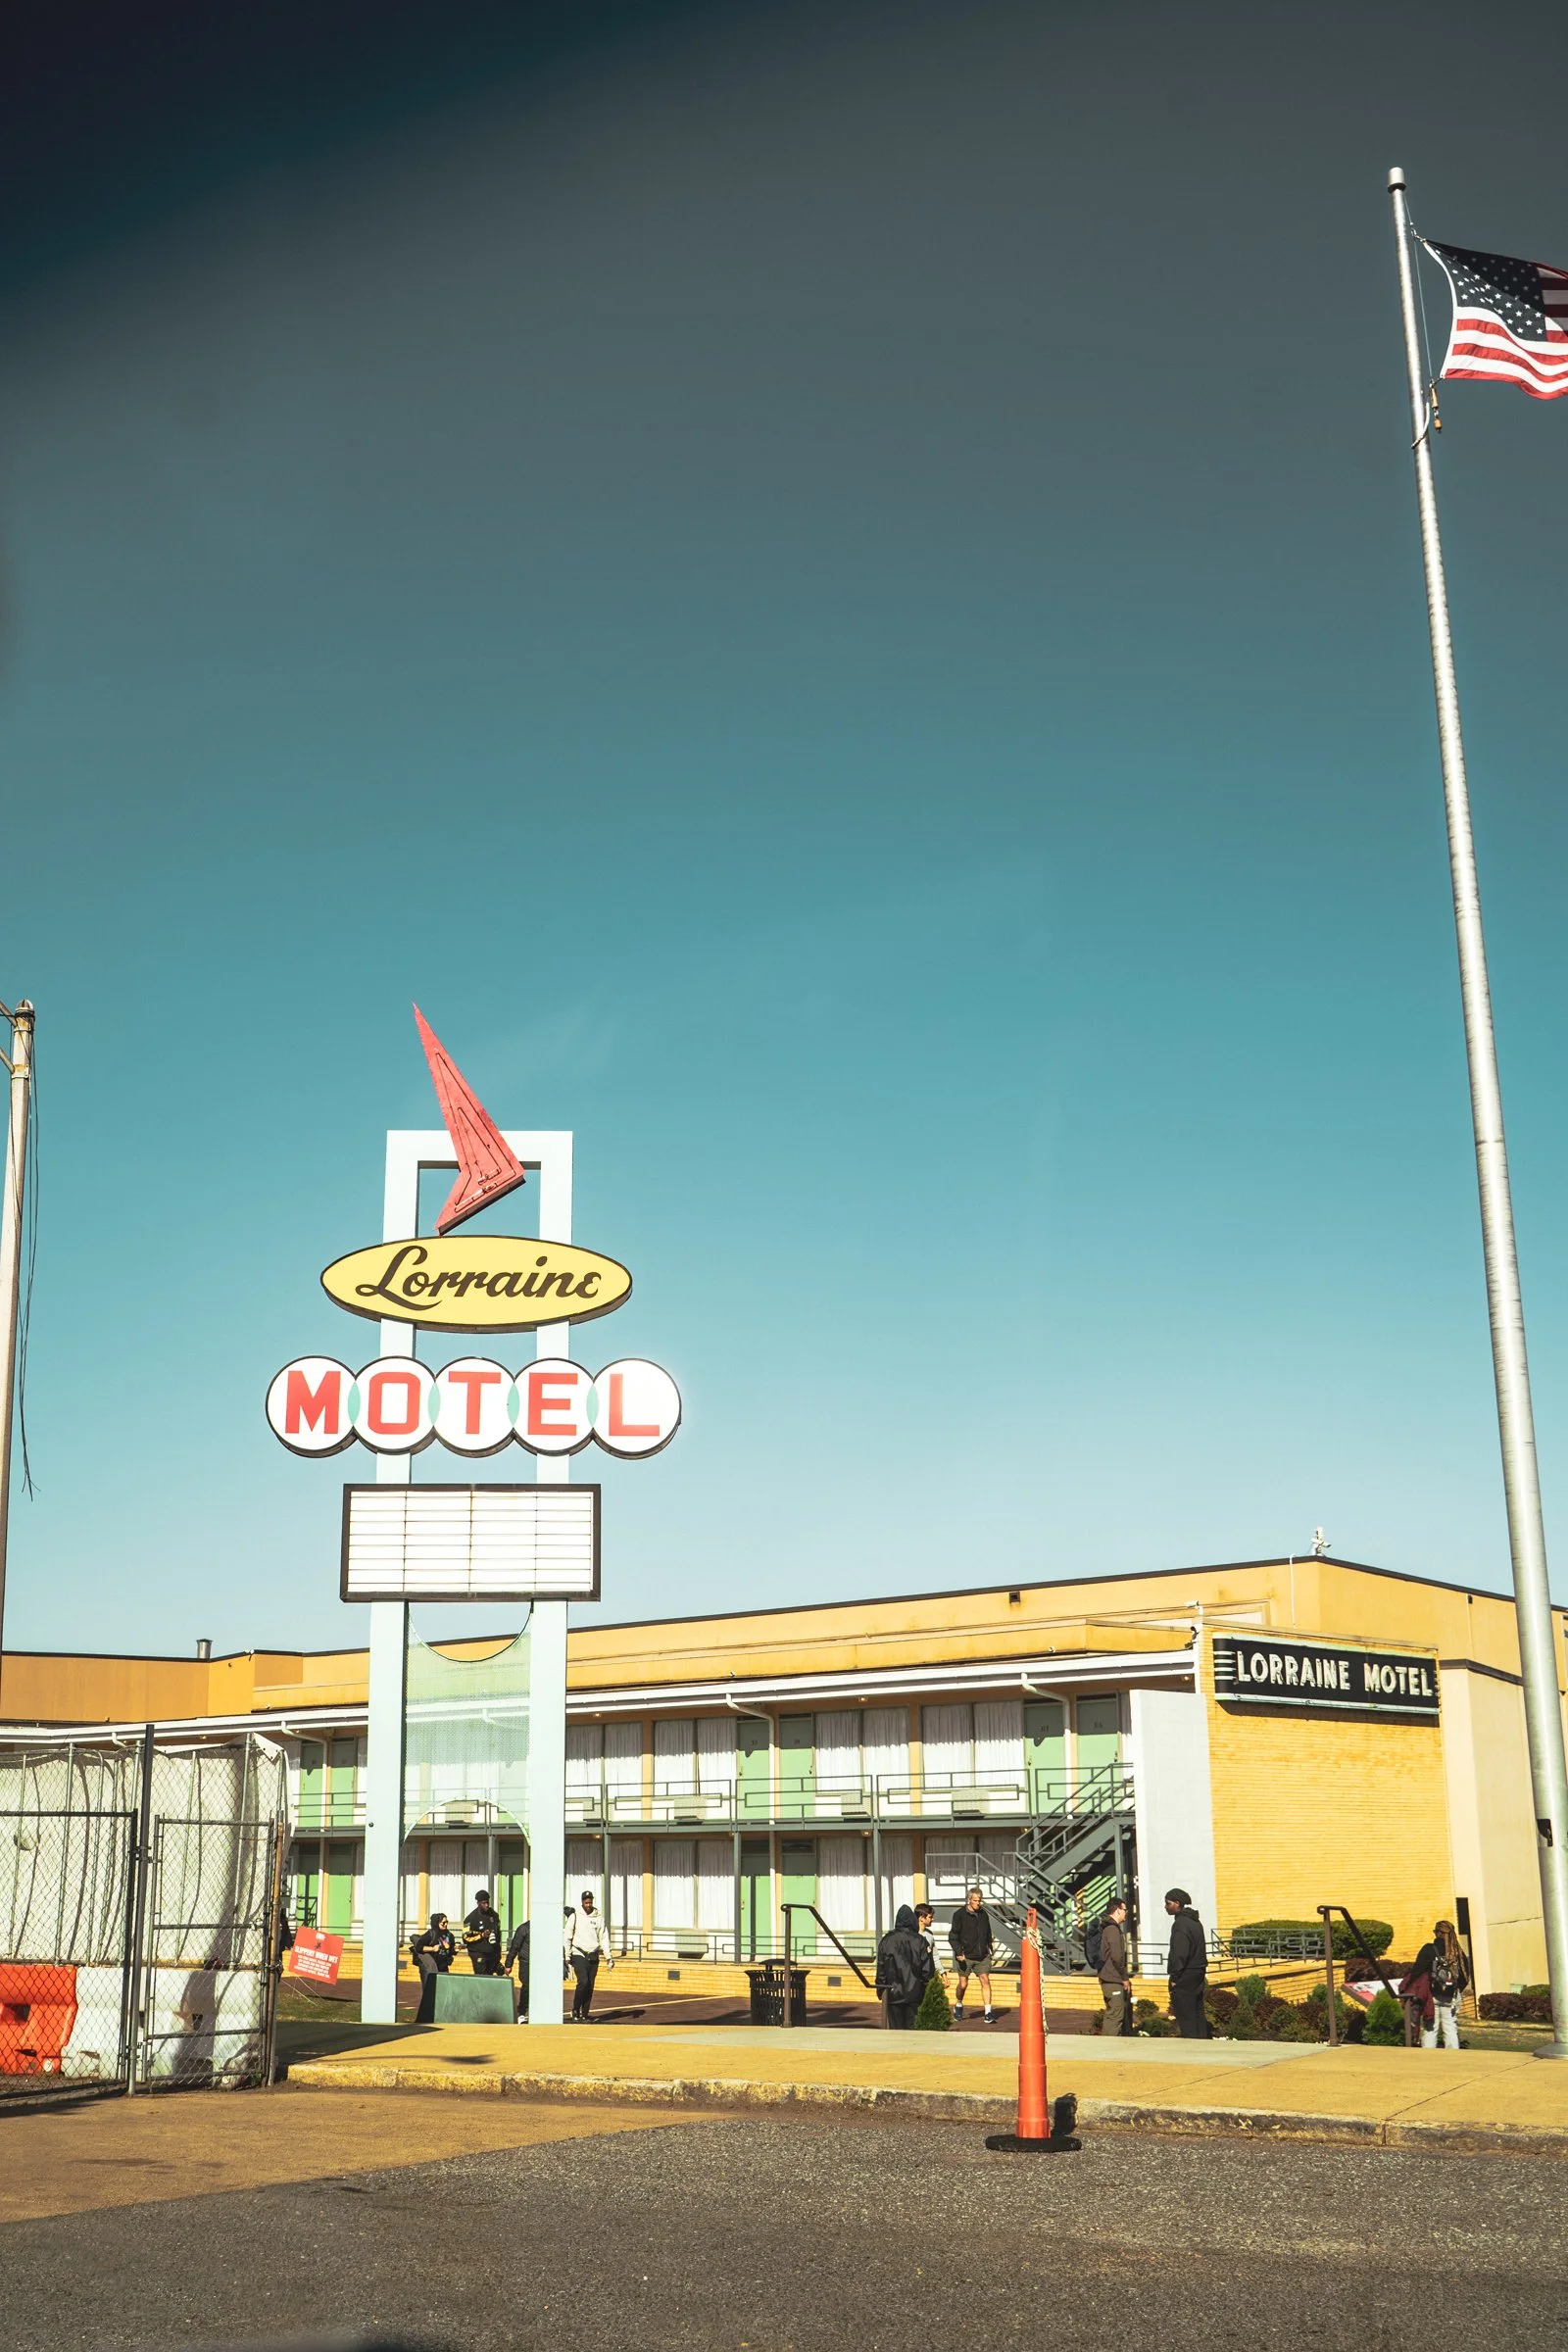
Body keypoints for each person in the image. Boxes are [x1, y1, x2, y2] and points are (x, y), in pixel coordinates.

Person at [1403, 1917, 1471, 2049]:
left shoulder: (1429, 1949)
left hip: (1431, 1995)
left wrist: (1409, 1987)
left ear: (1438, 1933)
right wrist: (1453, 1989)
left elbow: (1417, 1971)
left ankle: (1430, 2057)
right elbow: (1465, 1976)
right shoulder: (1458, 1952)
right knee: (1450, 2027)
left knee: (1430, 2027)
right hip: (1452, 1996)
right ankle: (1453, 2056)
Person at [875, 1902, 935, 2029]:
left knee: (895, 2029)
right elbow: (927, 1970)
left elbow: (881, 1968)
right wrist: (925, 1988)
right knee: (913, 2029)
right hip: (915, 1993)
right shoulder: (919, 1940)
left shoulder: (887, 1940)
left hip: (893, 1992)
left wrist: (881, 1989)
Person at [1165, 1886, 1211, 2038]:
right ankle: (1201, 2041)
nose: (1165, 1907)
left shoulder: (1180, 1924)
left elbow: (1180, 1953)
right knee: (1197, 2012)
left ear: (1177, 1903)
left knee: (1186, 2016)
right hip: (1198, 1972)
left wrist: (1175, 1978)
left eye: (1168, 1903)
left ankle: (1191, 2045)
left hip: (1185, 1974)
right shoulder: (1195, 1922)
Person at [949, 1886, 996, 2024]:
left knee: (985, 1980)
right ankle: (958, 2004)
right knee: (963, 1984)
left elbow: (987, 1932)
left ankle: (988, 2013)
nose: (978, 1903)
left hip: (982, 1955)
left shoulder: (983, 1914)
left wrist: (990, 1946)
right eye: (975, 1900)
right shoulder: (959, 1915)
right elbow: (953, 1936)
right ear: (969, 1900)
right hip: (965, 1956)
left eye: (979, 1900)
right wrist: (959, 1952)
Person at [564, 1889, 612, 2021]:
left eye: (590, 1902)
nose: (588, 1905)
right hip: (578, 1953)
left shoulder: (598, 1918)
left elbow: (604, 1938)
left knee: (590, 1986)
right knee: (583, 1982)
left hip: (593, 1955)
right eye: (586, 1903)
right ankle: (575, 2010)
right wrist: (567, 1956)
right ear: (582, 1903)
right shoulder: (575, 1916)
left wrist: (608, 1957)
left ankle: (585, 2014)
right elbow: (567, 1937)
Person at [410, 1911, 455, 2023]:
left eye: (447, 1922)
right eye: (443, 1922)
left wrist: (455, 1949)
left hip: (443, 1966)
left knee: (444, 1991)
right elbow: (419, 1947)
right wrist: (432, 1949)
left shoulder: (449, 1935)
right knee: (429, 1992)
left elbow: (450, 1950)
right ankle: (426, 2018)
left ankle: (441, 2017)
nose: (445, 1924)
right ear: (436, 1923)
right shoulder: (431, 1934)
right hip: (428, 1966)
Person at [1098, 1896, 1132, 2037]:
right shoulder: (1112, 1929)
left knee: (1115, 2012)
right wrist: (1124, 1977)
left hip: (1110, 1977)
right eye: (1124, 1910)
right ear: (1118, 1910)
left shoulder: (1109, 1928)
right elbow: (1117, 1956)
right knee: (1115, 2014)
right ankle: (1109, 2045)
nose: (1126, 1913)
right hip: (1112, 1978)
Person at [463, 1889, 504, 1977]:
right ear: (478, 1903)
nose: (486, 1905)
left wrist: (498, 1954)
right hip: (478, 1952)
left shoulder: (494, 1915)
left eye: (487, 1902)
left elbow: (498, 1934)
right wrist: (482, 1935)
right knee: (482, 1977)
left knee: (491, 1976)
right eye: (484, 1903)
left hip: (492, 1953)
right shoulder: (471, 1918)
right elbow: (465, 1937)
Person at [506, 1917, 531, 2019]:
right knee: (527, 1986)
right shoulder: (524, 1928)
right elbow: (515, 1947)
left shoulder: (545, 1928)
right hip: (526, 1962)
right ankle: (522, 2012)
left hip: (540, 1963)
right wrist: (508, 1964)